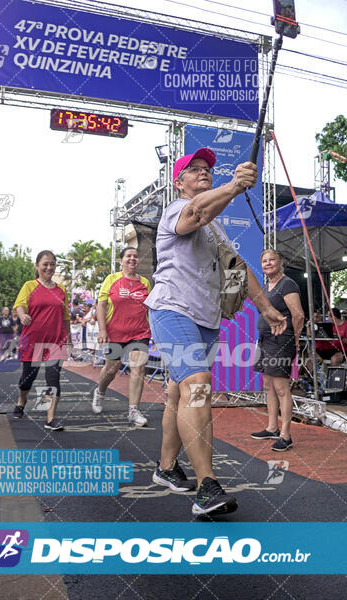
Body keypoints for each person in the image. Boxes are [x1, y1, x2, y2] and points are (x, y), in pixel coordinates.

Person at [144, 148, 287, 517]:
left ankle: (165, 468)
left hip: (205, 320)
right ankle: (207, 487)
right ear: (180, 182)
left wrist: (268, 308)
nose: (203, 172)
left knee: (179, 391)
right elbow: (197, 211)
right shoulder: (177, 209)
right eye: (194, 170)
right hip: (172, 308)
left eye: (207, 168)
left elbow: (238, 269)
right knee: (198, 384)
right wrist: (235, 185)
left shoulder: (216, 227)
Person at [12, 250, 72, 431]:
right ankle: (21, 401)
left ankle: (50, 418)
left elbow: (66, 316)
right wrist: (23, 316)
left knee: (53, 378)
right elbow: (20, 305)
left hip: (55, 341)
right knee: (27, 379)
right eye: (45, 264)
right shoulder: (30, 286)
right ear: (37, 266)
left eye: (52, 264)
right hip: (32, 340)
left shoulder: (61, 290)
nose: (49, 267)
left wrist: (68, 338)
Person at [251, 249, 304, 451]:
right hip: (264, 339)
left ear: (280, 262)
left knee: (282, 389)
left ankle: (286, 435)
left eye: (272, 259)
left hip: (281, 340)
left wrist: (295, 339)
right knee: (268, 386)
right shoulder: (266, 286)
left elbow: (298, 315)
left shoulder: (287, 284)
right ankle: (272, 427)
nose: (268, 263)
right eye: (264, 261)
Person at [93, 247, 152, 426]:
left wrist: (154, 332)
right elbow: (101, 305)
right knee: (112, 369)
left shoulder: (145, 283)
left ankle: (133, 410)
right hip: (115, 332)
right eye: (128, 256)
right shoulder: (111, 280)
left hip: (140, 332)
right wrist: (102, 330)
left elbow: (149, 309)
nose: (132, 259)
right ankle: (100, 392)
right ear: (121, 261)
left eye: (135, 256)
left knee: (138, 368)